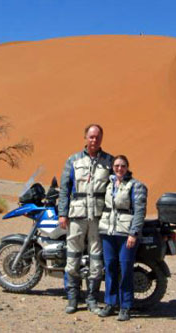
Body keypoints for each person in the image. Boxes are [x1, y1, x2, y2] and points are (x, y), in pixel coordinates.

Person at [58, 124, 114, 314]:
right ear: (85, 137)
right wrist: (62, 213)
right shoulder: (73, 160)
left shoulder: (109, 161)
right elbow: (65, 188)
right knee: (72, 257)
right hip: (77, 216)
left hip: (99, 218)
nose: (94, 140)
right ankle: (73, 298)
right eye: (91, 137)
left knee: (96, 261)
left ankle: (91, 298)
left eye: (97, 137)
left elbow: (118, 185)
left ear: (102, 138)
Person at [97, 155, 147, 321]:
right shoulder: (108, 184)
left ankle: (125, 306)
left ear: (127, 167)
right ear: (112, 167)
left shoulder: (136, 186)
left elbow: (140, 211)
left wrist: (133, 233)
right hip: (108, 233)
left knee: (125, 270)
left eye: (123, 166)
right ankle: (110, 303)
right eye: (117, 165)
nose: (119, 168)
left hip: (126, 234)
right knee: (110, 268)